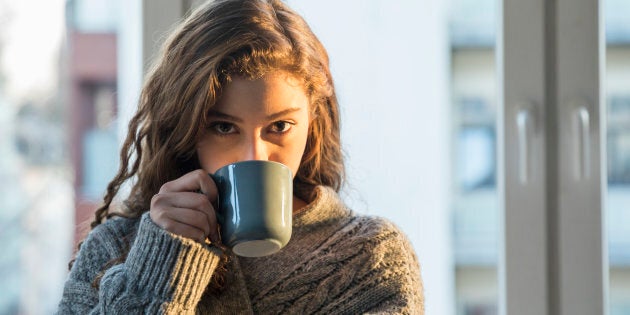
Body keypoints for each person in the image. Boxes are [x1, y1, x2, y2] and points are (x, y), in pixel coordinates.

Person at [57, 0, 424, 313]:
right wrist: (159, 267)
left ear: (312, 121)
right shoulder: (113, 248)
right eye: (223, 128)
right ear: (186, 129)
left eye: (279, 127)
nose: (256, 155)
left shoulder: (372, 257)